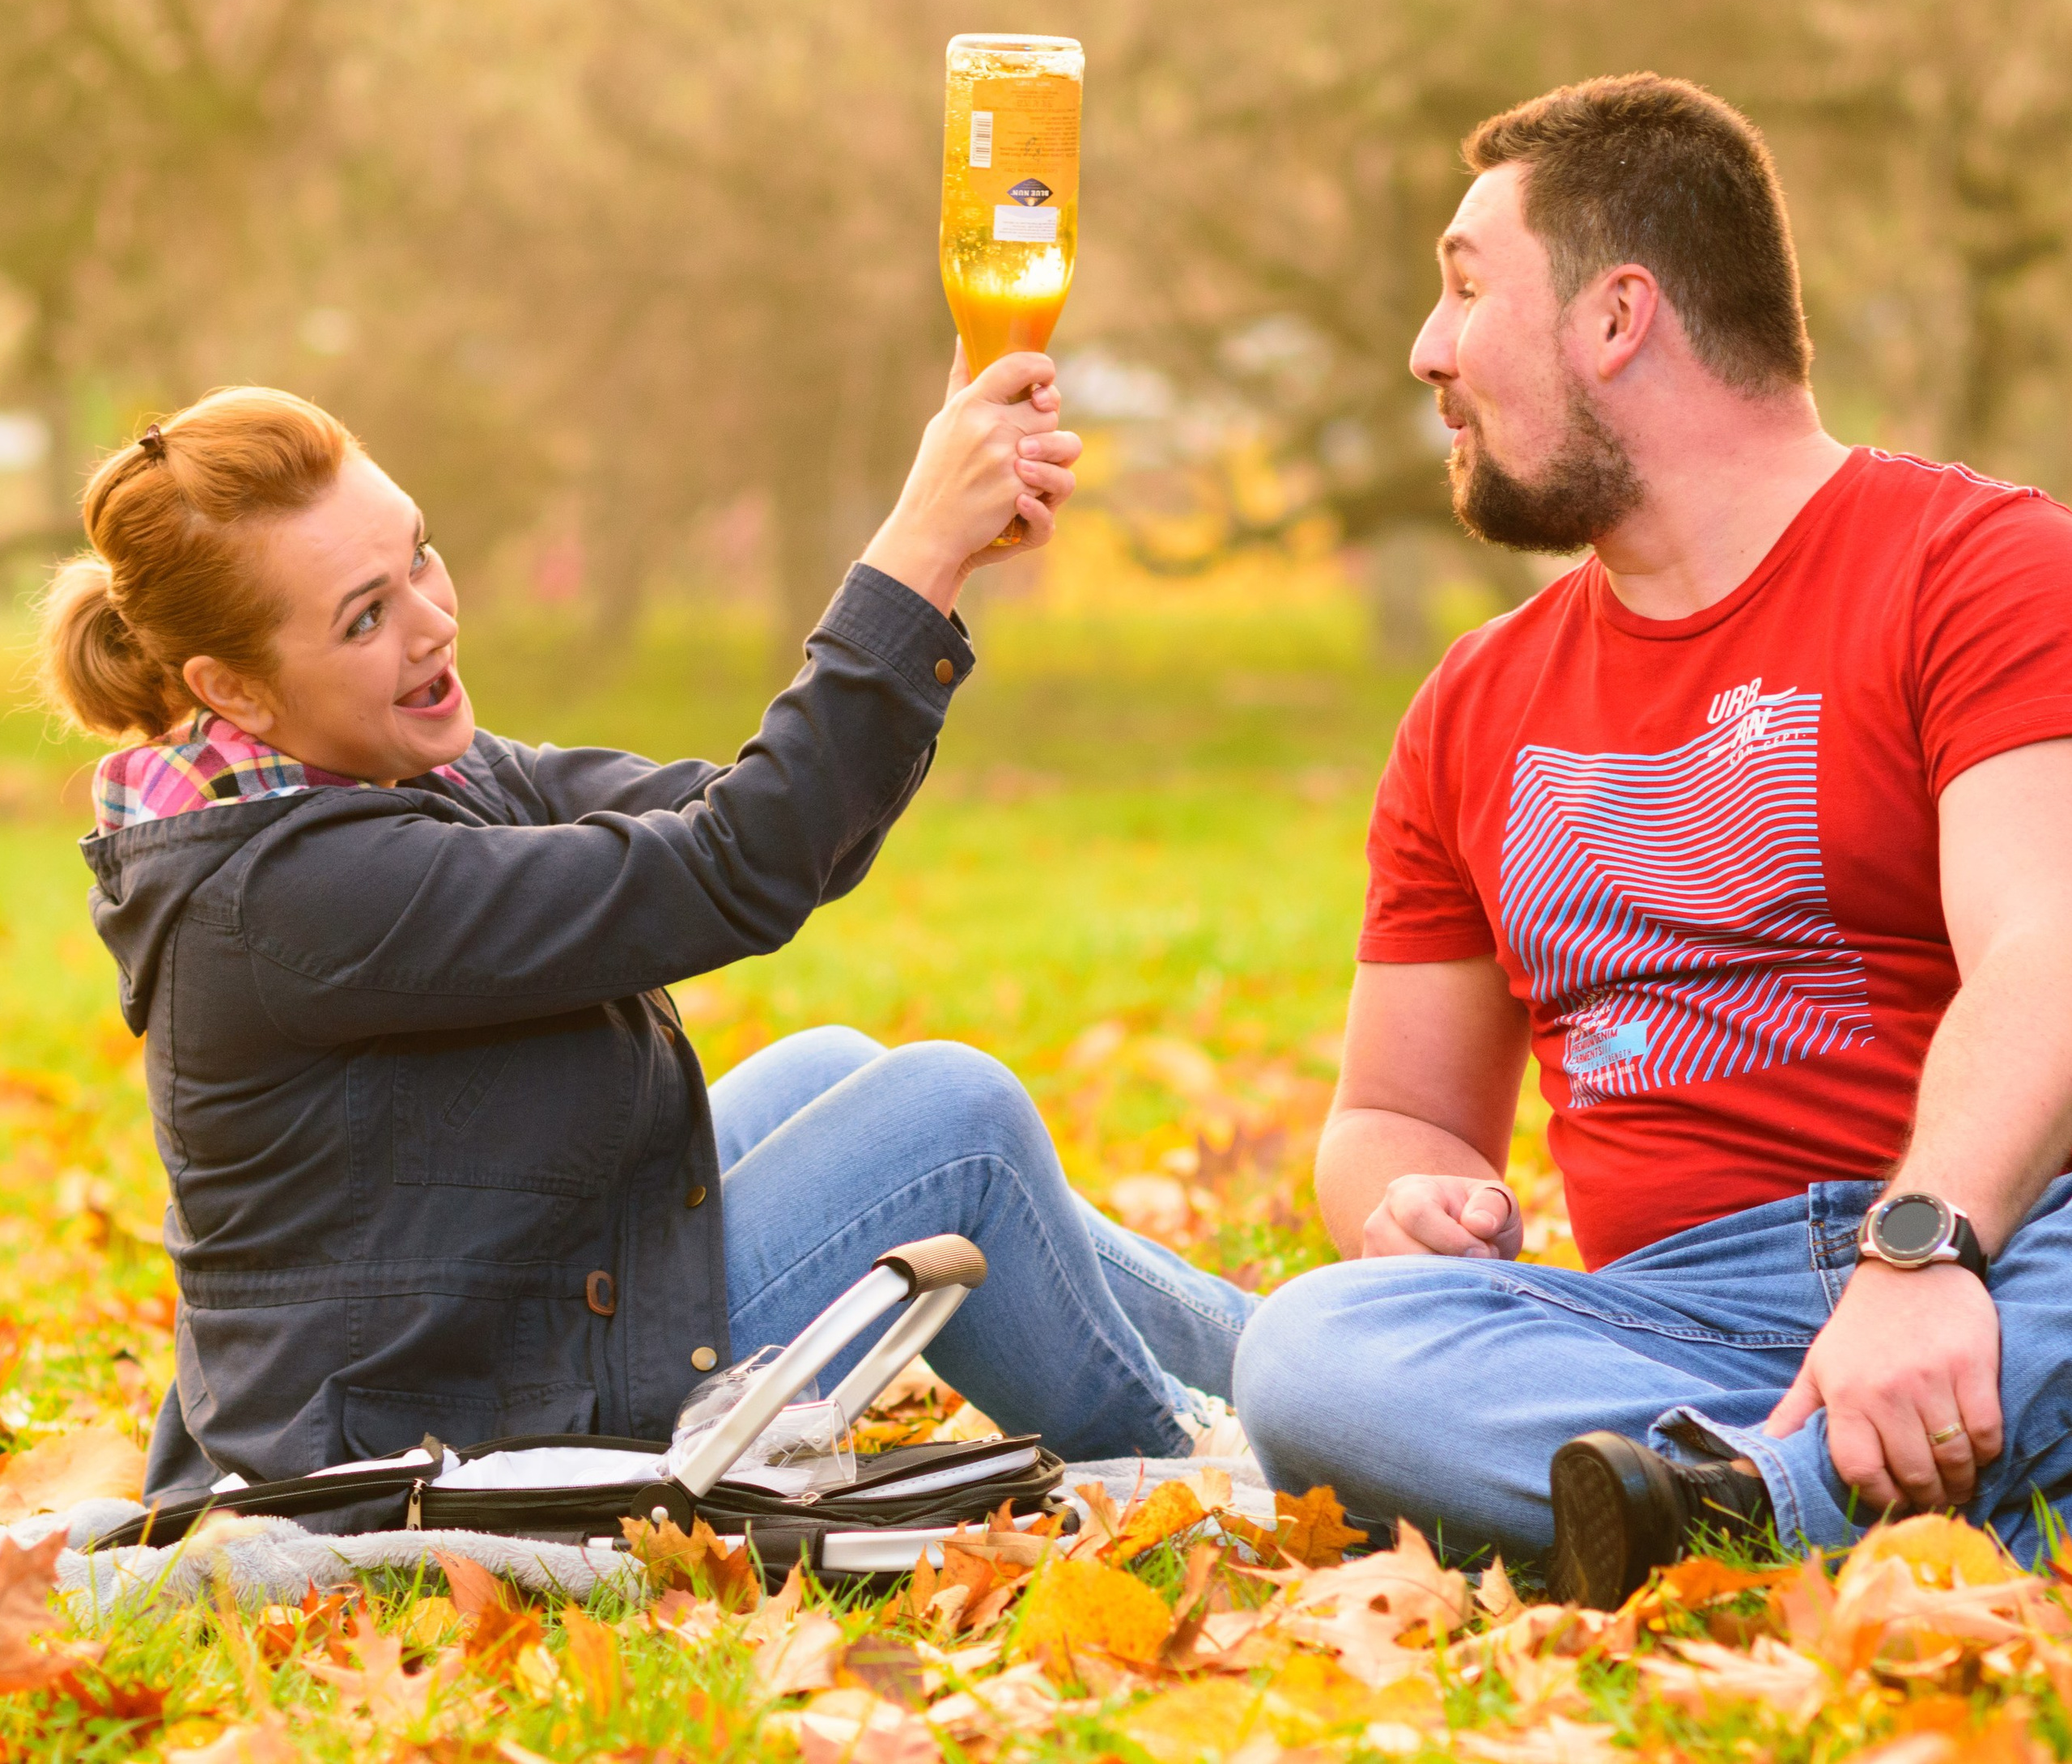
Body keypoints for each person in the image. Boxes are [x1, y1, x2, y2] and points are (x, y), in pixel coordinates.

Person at [40, 352, 1255, 1498]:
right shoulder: (293, 894)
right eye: (365, 617)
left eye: (419, 557)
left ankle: (1287, 1365)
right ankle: (1197, 1472)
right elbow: (741, 862)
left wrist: (939, 566)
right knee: (954, 1123)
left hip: (505, 1323)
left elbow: (769, 832)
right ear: (232, 690)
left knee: (833, 1068)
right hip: (439, 1429)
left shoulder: (391, 778)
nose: (431, 621)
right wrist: (916, 549)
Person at [1232, 73, 2072, 1602]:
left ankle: (1739, 1507)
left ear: (1619, 318)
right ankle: (1826, 1496)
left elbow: (2048, 949)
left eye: (1467, 288)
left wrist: (1919, 1259)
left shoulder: (1982, 566)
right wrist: (1406, 1202)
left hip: (2002, 1243)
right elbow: (1395, 1115)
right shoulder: (1472, 705)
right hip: (1665, 1323)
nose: (1428, 351)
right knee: (1311, 1354)